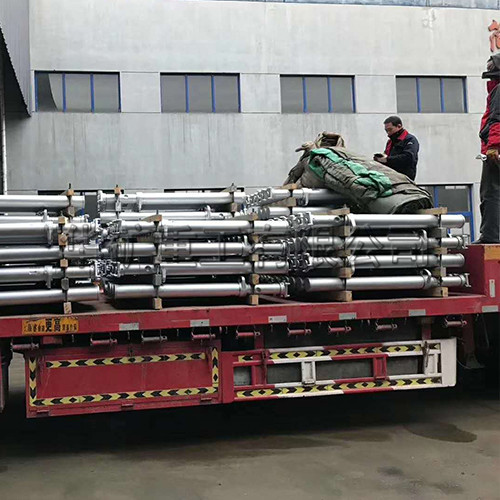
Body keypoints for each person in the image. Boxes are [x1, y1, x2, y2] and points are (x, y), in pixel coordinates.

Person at [476, 54, 500, 244]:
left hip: (495, 151)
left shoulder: (499, 90)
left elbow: (497, 118)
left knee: (491, 193)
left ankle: (491, 236)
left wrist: (493, 146)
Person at [373, 116, 419, 180]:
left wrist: (387, 159)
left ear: (399, 126)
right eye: (386, 131)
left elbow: (409, 157)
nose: (388, 133)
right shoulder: (390, 142)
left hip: (404, 178)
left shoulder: (410, 140)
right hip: (391, 177)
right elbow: (387, 156)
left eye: (390, 129)